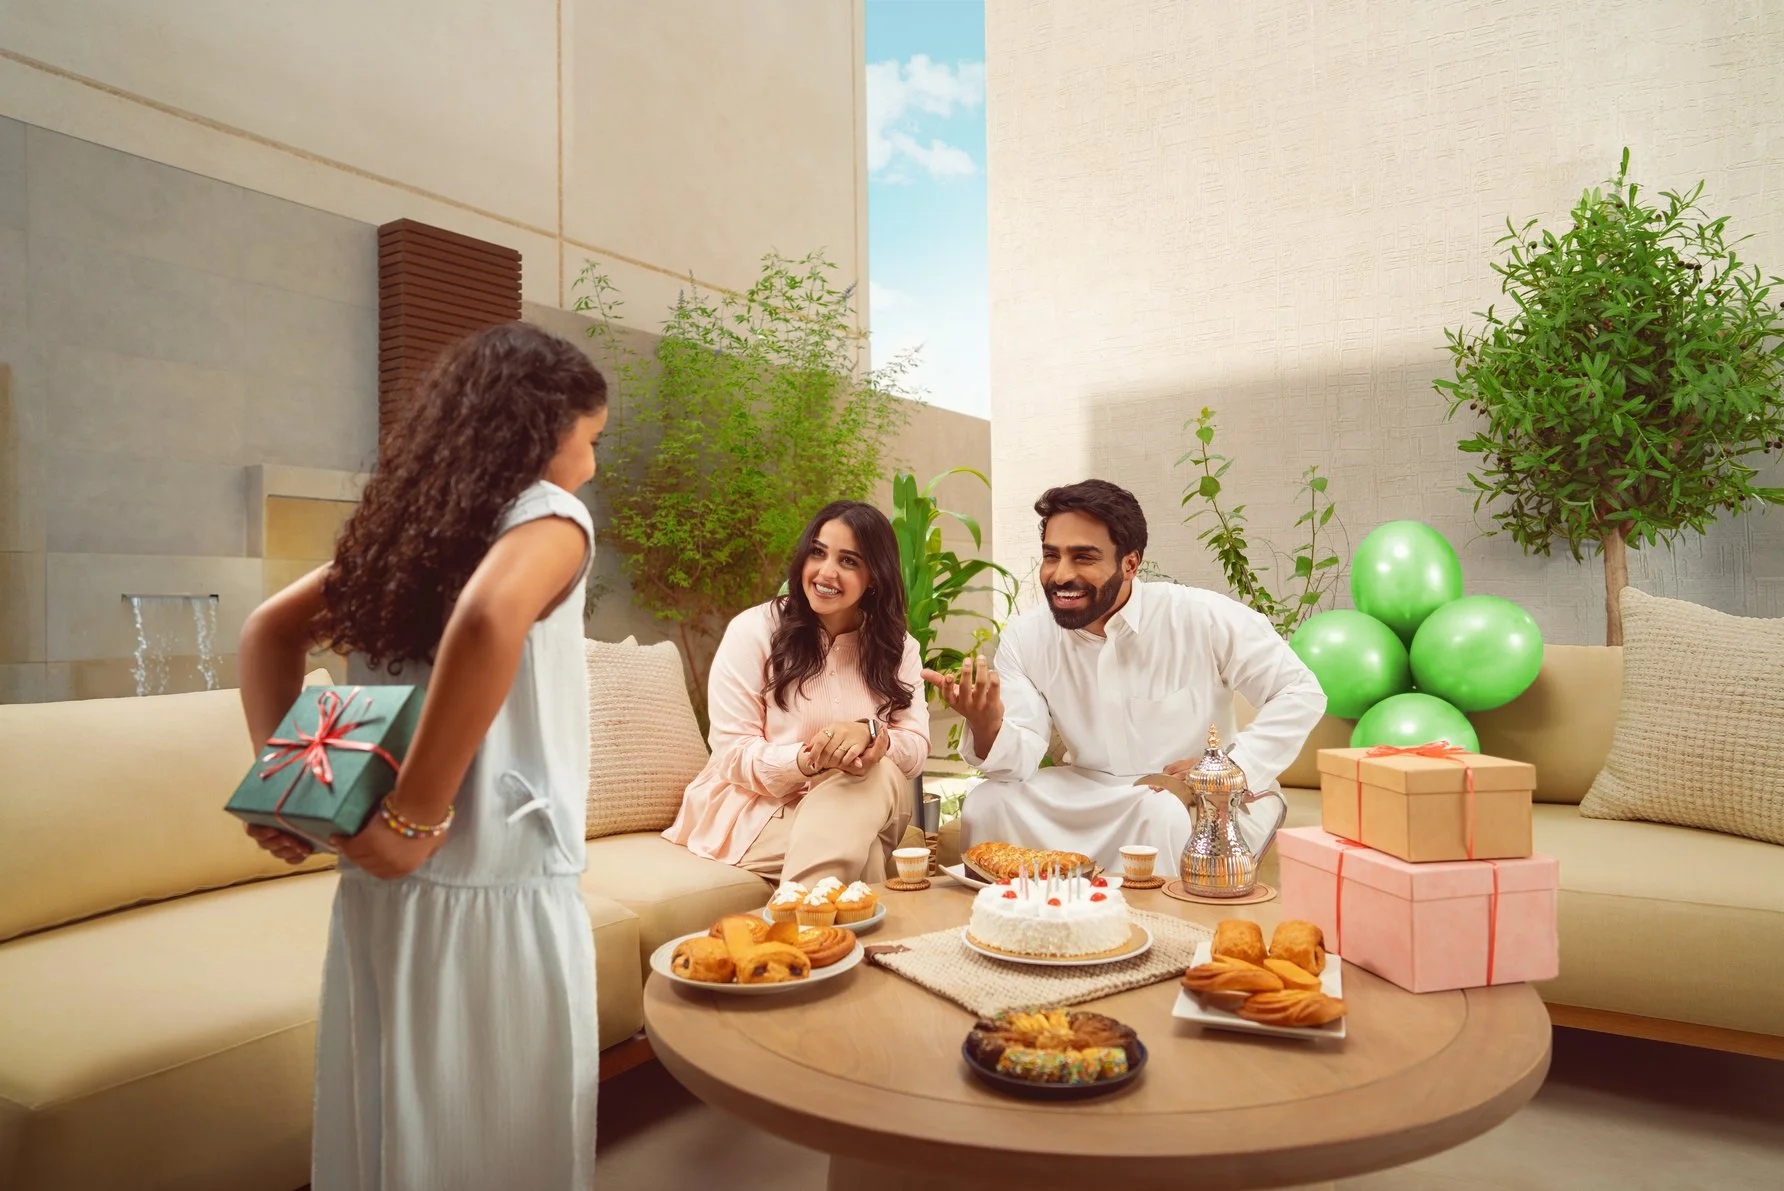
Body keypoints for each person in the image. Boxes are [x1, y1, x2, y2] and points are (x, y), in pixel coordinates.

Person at [237, 321, 608, 1191]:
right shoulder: (552, 516)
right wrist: (414, 815)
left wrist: (294, 791)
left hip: (383, 894)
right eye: (590, 439)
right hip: (493, 886)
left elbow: (267, 630)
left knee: (392, 1130)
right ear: (541, 432)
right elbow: (487, 620)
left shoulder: (410, 527)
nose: (592, 466)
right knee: (499, 1139)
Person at [924, 479, 1326, 871]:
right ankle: (1009, 911)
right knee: (988, 802)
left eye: (1083, 557)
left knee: (1162, 812)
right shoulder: (1025, 637)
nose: (1060, 575)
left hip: (1189, 794)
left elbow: (1299, 691)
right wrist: (987, 725)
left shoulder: (1202, 617)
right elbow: (1021, 757)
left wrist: (1226, 770)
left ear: (1130, 564)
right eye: (1051, 556)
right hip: (1086, 788)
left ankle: (1154, 917)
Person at [664, 501, 930, 886]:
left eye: (848, 561)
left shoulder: (898, 647)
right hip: (760, 807)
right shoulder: (754, 632)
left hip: (868, 800)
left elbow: (916, 746)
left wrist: (872, 735)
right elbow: (732, 752)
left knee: (879, 769)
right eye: (818, 552)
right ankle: (810, 919)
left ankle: (797, 918)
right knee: (865, 853)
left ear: (874, 576)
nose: (826, 572)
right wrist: (809, 759)